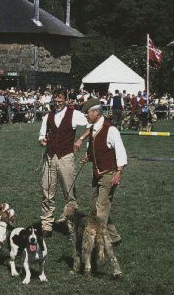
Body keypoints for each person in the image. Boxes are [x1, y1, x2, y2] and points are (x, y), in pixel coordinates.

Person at [38, 89, 89, 237]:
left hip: (66, 157)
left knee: (69, 192)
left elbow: (91, 124)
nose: (58, 103)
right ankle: (46, 225)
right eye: (56, 100)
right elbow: (42, 135)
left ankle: (72, 223)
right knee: (47, 191)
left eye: (61, 100)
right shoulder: (48, 116)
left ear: (66, 100)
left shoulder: (74, 114)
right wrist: (42, 140)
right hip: (49, 157)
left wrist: (80, 139)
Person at [82, 97, 127, 245]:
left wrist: (118, 172)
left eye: (87, 113)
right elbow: (96, 149)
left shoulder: (110, 129)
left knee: (101, 207)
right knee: (95, 206)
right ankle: (114, 237)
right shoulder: (93, 128)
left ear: (96, 112)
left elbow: (120, 151)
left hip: (109, 173)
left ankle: (98, 242)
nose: (86, 116)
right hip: (97, 173)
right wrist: (87, 157)